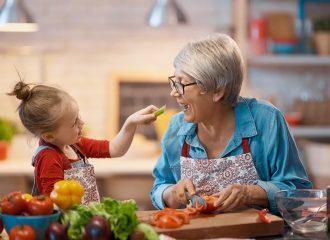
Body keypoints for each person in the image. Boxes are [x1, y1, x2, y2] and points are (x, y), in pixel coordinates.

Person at [150, 33, 312, 214]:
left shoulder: (267, 120)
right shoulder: (176, 128)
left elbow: (298, 192)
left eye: (182, 84)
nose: (174, 93)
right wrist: (171, 193)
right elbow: (159, 186)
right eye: (174, 82)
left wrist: (252, 193)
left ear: (217, 91)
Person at [9, 81, 158, 204]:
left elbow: (115, 149)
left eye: (78, 116)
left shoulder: (75, 144)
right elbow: (53, 206)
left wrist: (131, 122)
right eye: (74, 123)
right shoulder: (49, 158)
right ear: (49, 136)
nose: (81, 123)